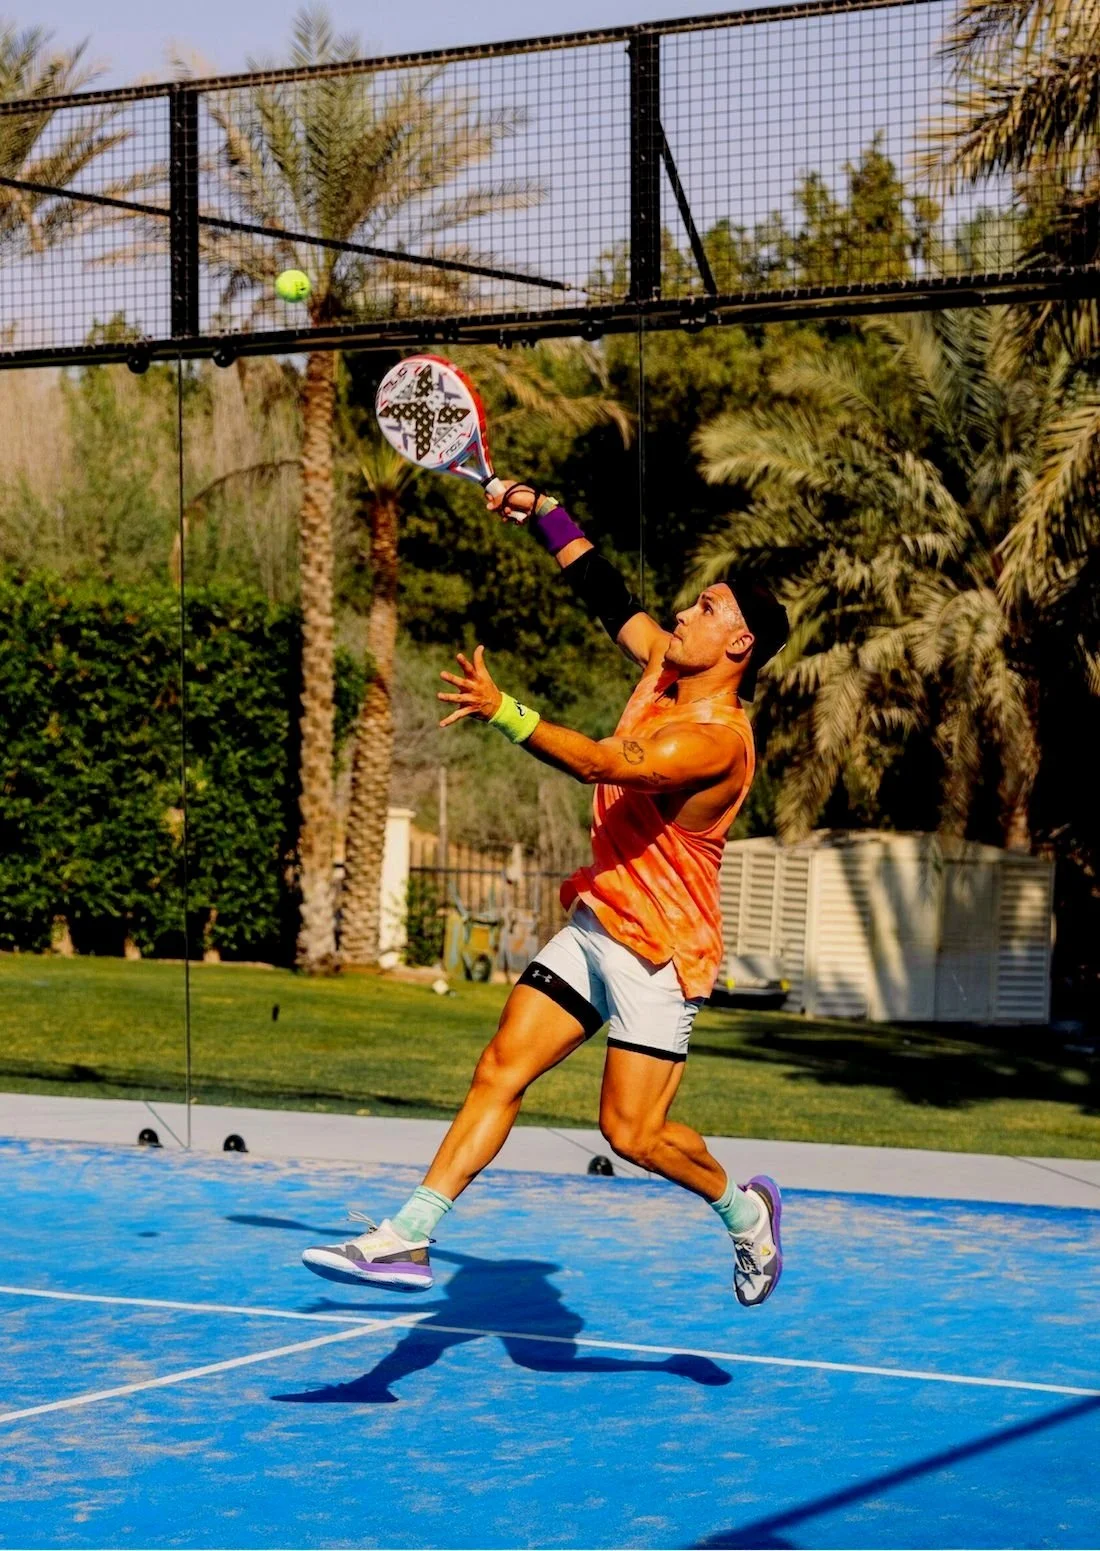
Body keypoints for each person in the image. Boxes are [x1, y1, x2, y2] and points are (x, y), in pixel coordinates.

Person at [303, 483, 789, 1308]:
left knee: (631, 1134)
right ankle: (410, 1235)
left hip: (660, 954)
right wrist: (549, 513)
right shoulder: (665, 666)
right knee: (500, 1065)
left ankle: (746, 1215)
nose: (685, 612)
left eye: (706, 607)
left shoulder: (712, 741)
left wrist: (504, 711)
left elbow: (607, 764)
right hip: (601, 919)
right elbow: (611, 599)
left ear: (738, 641)